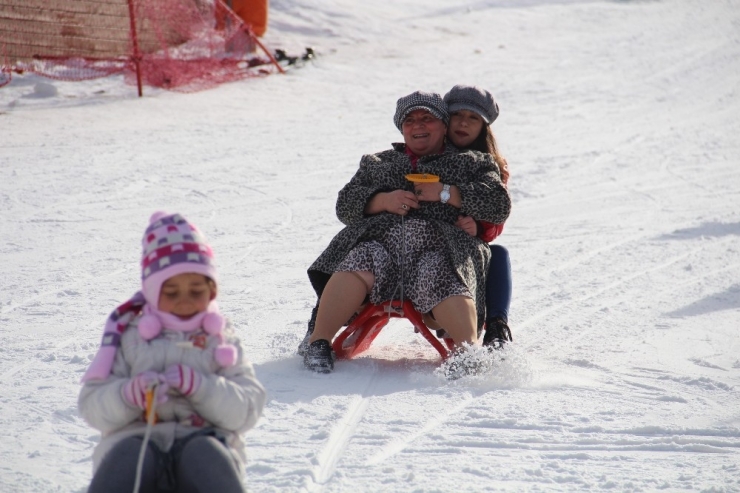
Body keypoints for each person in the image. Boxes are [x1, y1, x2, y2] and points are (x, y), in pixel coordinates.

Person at [302, 91, 511, 374]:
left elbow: (498, 205)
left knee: (439, 271)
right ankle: (319, 341)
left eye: (428, 119)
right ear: (401, 127)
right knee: (361, 258)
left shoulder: (472, 163)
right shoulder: (379, 163)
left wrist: (448, 193)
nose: (418, 125)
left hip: (440, 249)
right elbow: (344, 205)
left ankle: (467, 354)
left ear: (443, 125)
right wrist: (381, 201)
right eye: (410, 120)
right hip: (383, 248)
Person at [78, 211, 266, 493]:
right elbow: (92, 405)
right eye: (171, 292)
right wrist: (129, 395)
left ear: (212, 289)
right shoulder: (129, 335)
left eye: (196, 291)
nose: (184, 302)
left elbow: (248, 409)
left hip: (204, 437)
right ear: (152, 292)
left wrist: (201, 387)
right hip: (137, 441)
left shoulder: (220, 340)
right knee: (125, 456)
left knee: (206, 453)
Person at [443, 84, 514, 349]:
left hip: (468, 246)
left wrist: (480, 227)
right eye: (457, 115)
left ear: (483, 126)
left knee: (498, 254)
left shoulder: (491, 165)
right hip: (433, 243)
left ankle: (496, 325)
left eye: (473, 118)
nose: (463, 123)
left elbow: (497, 218)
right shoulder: (431, 153)